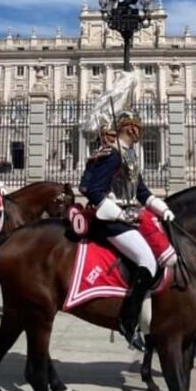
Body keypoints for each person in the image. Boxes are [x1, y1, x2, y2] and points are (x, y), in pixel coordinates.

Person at [79, 107, 176, 349]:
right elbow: (93, 190)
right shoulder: (112, 154)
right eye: (137, 127)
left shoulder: (129, 155)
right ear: (129, 128)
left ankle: (148, 315)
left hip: (130, 216)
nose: (139, 131)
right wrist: (119, 213)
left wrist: (162, 208)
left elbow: (140, 191)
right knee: (147, 260)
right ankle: (127, 319)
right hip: (112, 220)